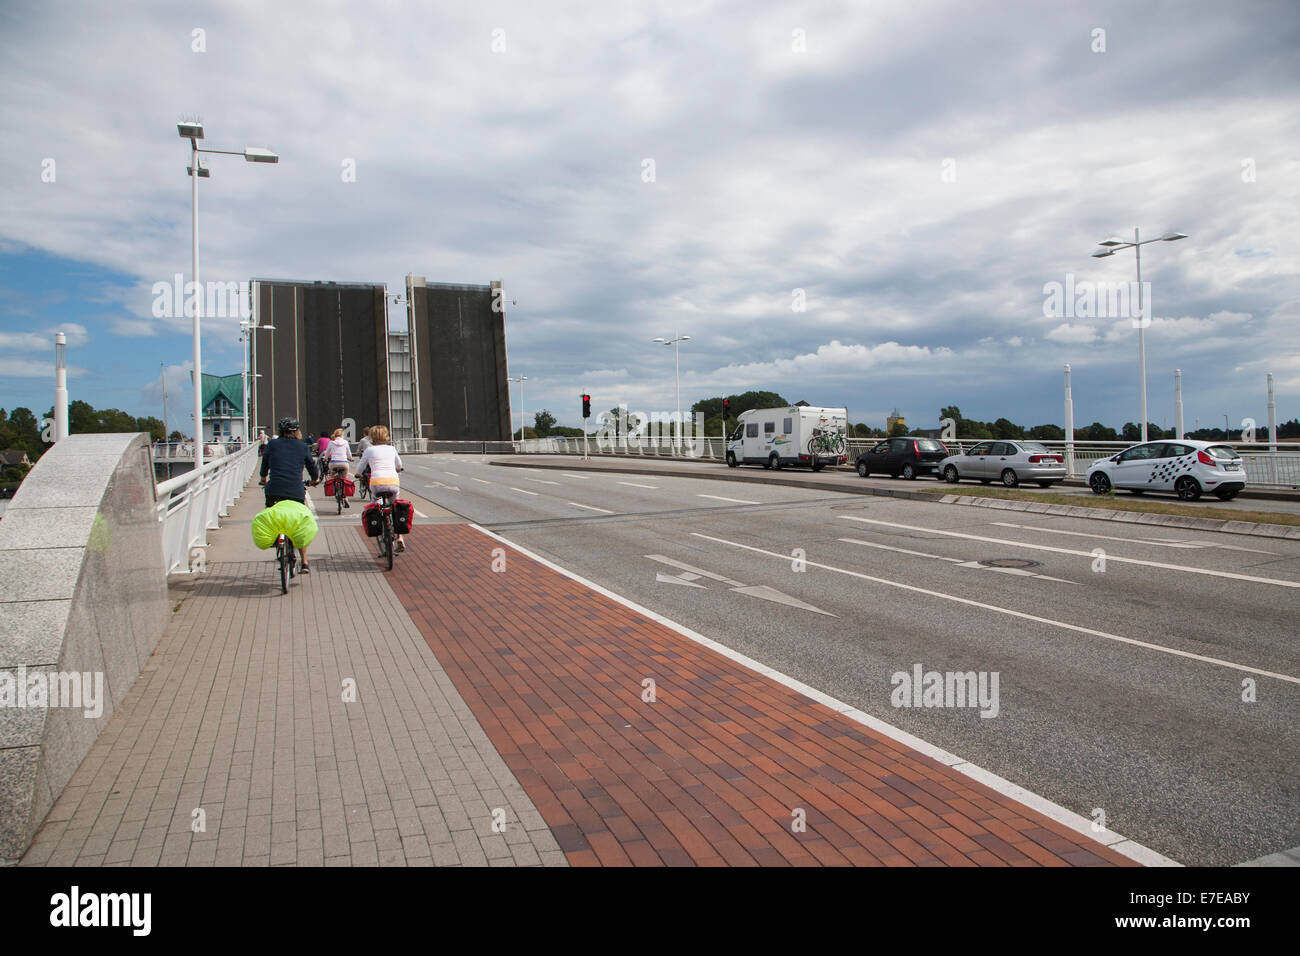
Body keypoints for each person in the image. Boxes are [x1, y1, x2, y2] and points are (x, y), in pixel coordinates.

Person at [258, 417, 320, 571]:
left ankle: (276, 540)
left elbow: (265, 462)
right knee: (299, 524)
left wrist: (263, 478)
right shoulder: (302, 446)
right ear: (297, 431)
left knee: (271, 512)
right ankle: (304, 562)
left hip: (274, 489)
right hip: (295, 490)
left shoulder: (272, 444)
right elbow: (312, 466)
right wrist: (315, 479)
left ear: (280, 431)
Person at [356, 425, 406, 551]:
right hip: (393, 482)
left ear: (371, 437)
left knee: (375, 505)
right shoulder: (392, 449)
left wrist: (358, 474)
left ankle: (378, 525)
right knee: (395, 506)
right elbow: (399, 465)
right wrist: (398, 469)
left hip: (377, 483)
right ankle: (400, 537)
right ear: (386, 436)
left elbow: (360, 466)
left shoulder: (369, 450)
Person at [326, 428, 353, 507]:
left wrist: (325, 458)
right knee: (344, 479)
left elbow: (327, 453)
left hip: (334, 463)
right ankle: (346, 498)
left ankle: (334, 488)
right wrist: (350, 458)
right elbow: (349, 454)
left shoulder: (331, 442)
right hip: (344, 463)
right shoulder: (345, 442)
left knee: (332, 476)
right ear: (342, 435)